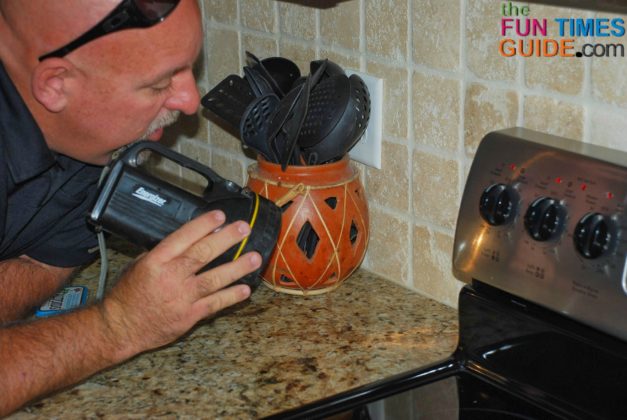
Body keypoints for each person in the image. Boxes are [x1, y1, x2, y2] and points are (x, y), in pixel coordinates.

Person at [0, 0, 261, 415]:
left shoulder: (93, 143)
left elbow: (43, 261)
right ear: (55, 85)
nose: (191, 101)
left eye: (189, 69)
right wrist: (119, 325)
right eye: (159, 84)